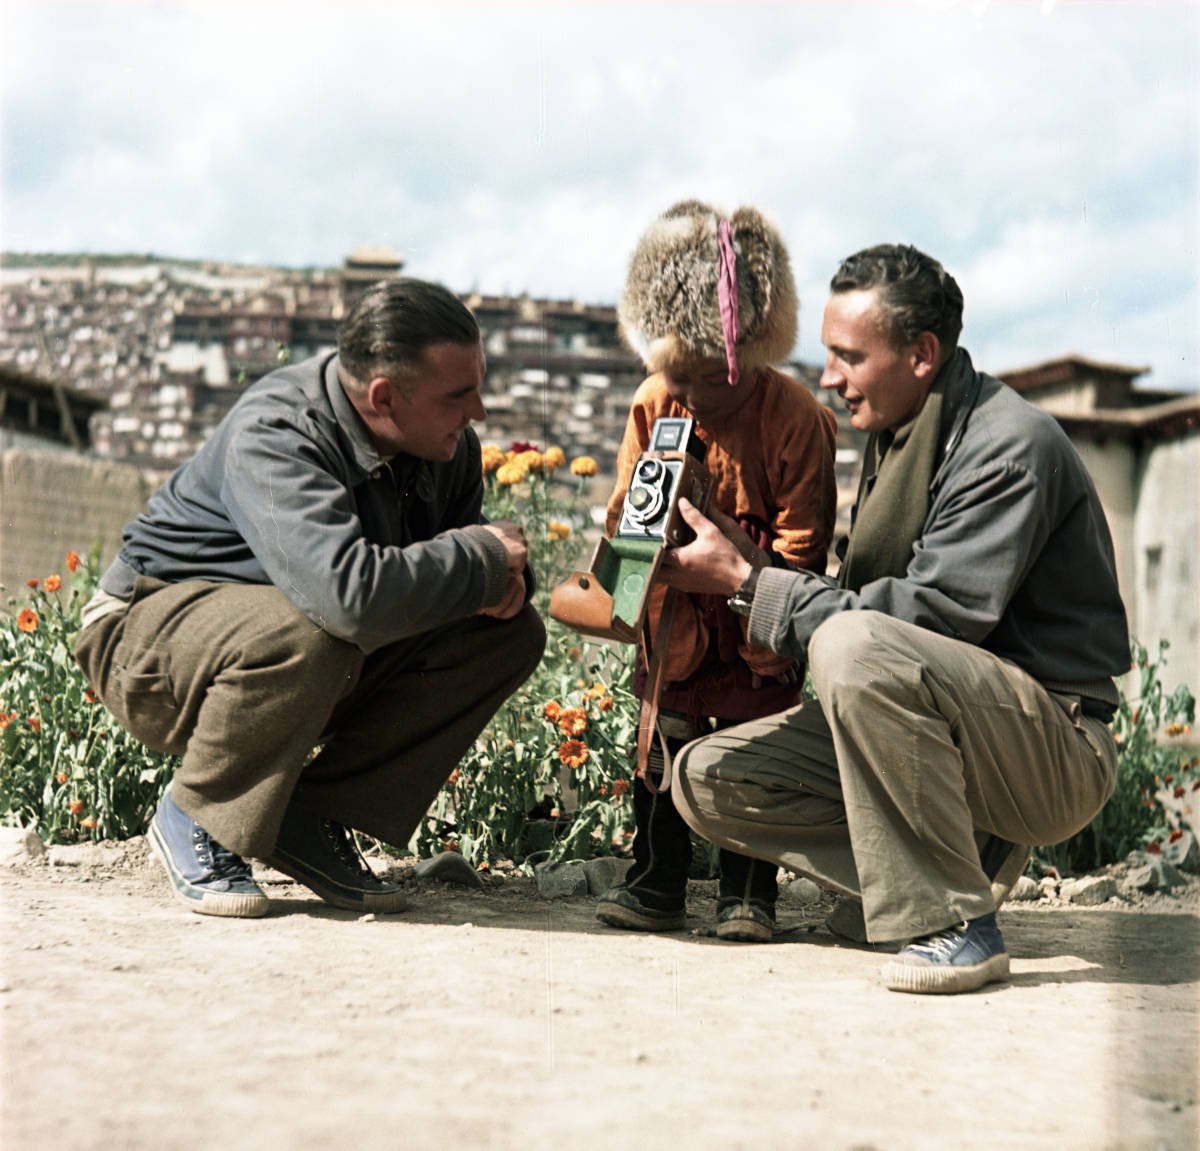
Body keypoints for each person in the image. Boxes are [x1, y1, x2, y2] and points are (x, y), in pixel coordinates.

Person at [660, 243, 1129, 992]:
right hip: (962, 726)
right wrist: (743, 561)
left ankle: (956, 921)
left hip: (1053, 749)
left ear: (921, 355)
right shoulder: (905, 432)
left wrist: (750, 583)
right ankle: (928, 873)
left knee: (851, 646)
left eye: (848, 356)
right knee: (707, 780)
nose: (828, 376)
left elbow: (925, 621)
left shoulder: (1007, 446)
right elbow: (879, 620)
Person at [75, 277, 546, 919]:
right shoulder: (278, 432)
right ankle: (199, 814)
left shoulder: (445, 447)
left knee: (504, 635)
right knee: (312, 629)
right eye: (458, 395)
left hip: (286, 634)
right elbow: (345, 597)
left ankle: (307, 816)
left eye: (478, 386)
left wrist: (504, 579)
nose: (479, 413)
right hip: (145, 638)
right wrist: (481, 560)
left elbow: (451, 568)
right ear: (383, 397)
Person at [594, 200, 838, 941]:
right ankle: (655, 883)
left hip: (753, 624)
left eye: (702, 378)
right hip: (673, 627)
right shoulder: (654, 404)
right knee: (661, 744)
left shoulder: (795, 418)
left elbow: (802, 548)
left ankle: (748, 893)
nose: (685, 396)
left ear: (747, 358)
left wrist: (761, 625)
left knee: (753, 744)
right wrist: (638, 568)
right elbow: (623, 522)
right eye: (672, 376)